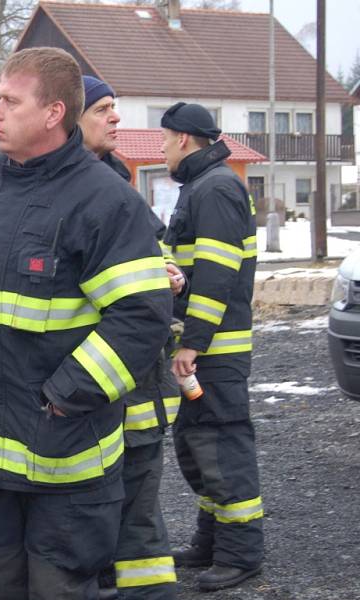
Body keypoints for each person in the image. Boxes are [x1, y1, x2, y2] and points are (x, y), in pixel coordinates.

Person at [0, 47, 173, 600]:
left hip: (68, 460)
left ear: (54, 113)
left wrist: (65, 396)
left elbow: (141, 317)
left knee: (62, 590)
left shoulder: (106, 200)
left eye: (10, 100)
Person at [79, 75, 179, 600]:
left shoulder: (118, 181)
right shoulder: (63, 188)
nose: (116, 118)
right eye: (103, 109)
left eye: (116, 107)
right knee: (89, 520)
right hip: (89, 394)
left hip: (136, 391)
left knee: (139, 515)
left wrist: (164, 270)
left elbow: (150, 250)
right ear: (66, 115)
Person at [159, 102, 263, 592]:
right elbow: (203, 272)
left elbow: (220, 277)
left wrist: (194, 343)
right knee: (199, 447)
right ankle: (212, 542)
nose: (161, 150)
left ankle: (241, 553)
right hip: (205, 349)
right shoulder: (204, 186)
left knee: (223, 448)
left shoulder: (217, 187)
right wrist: (179, 281)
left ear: (183, 139)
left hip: (215, 352)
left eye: (164, 140)